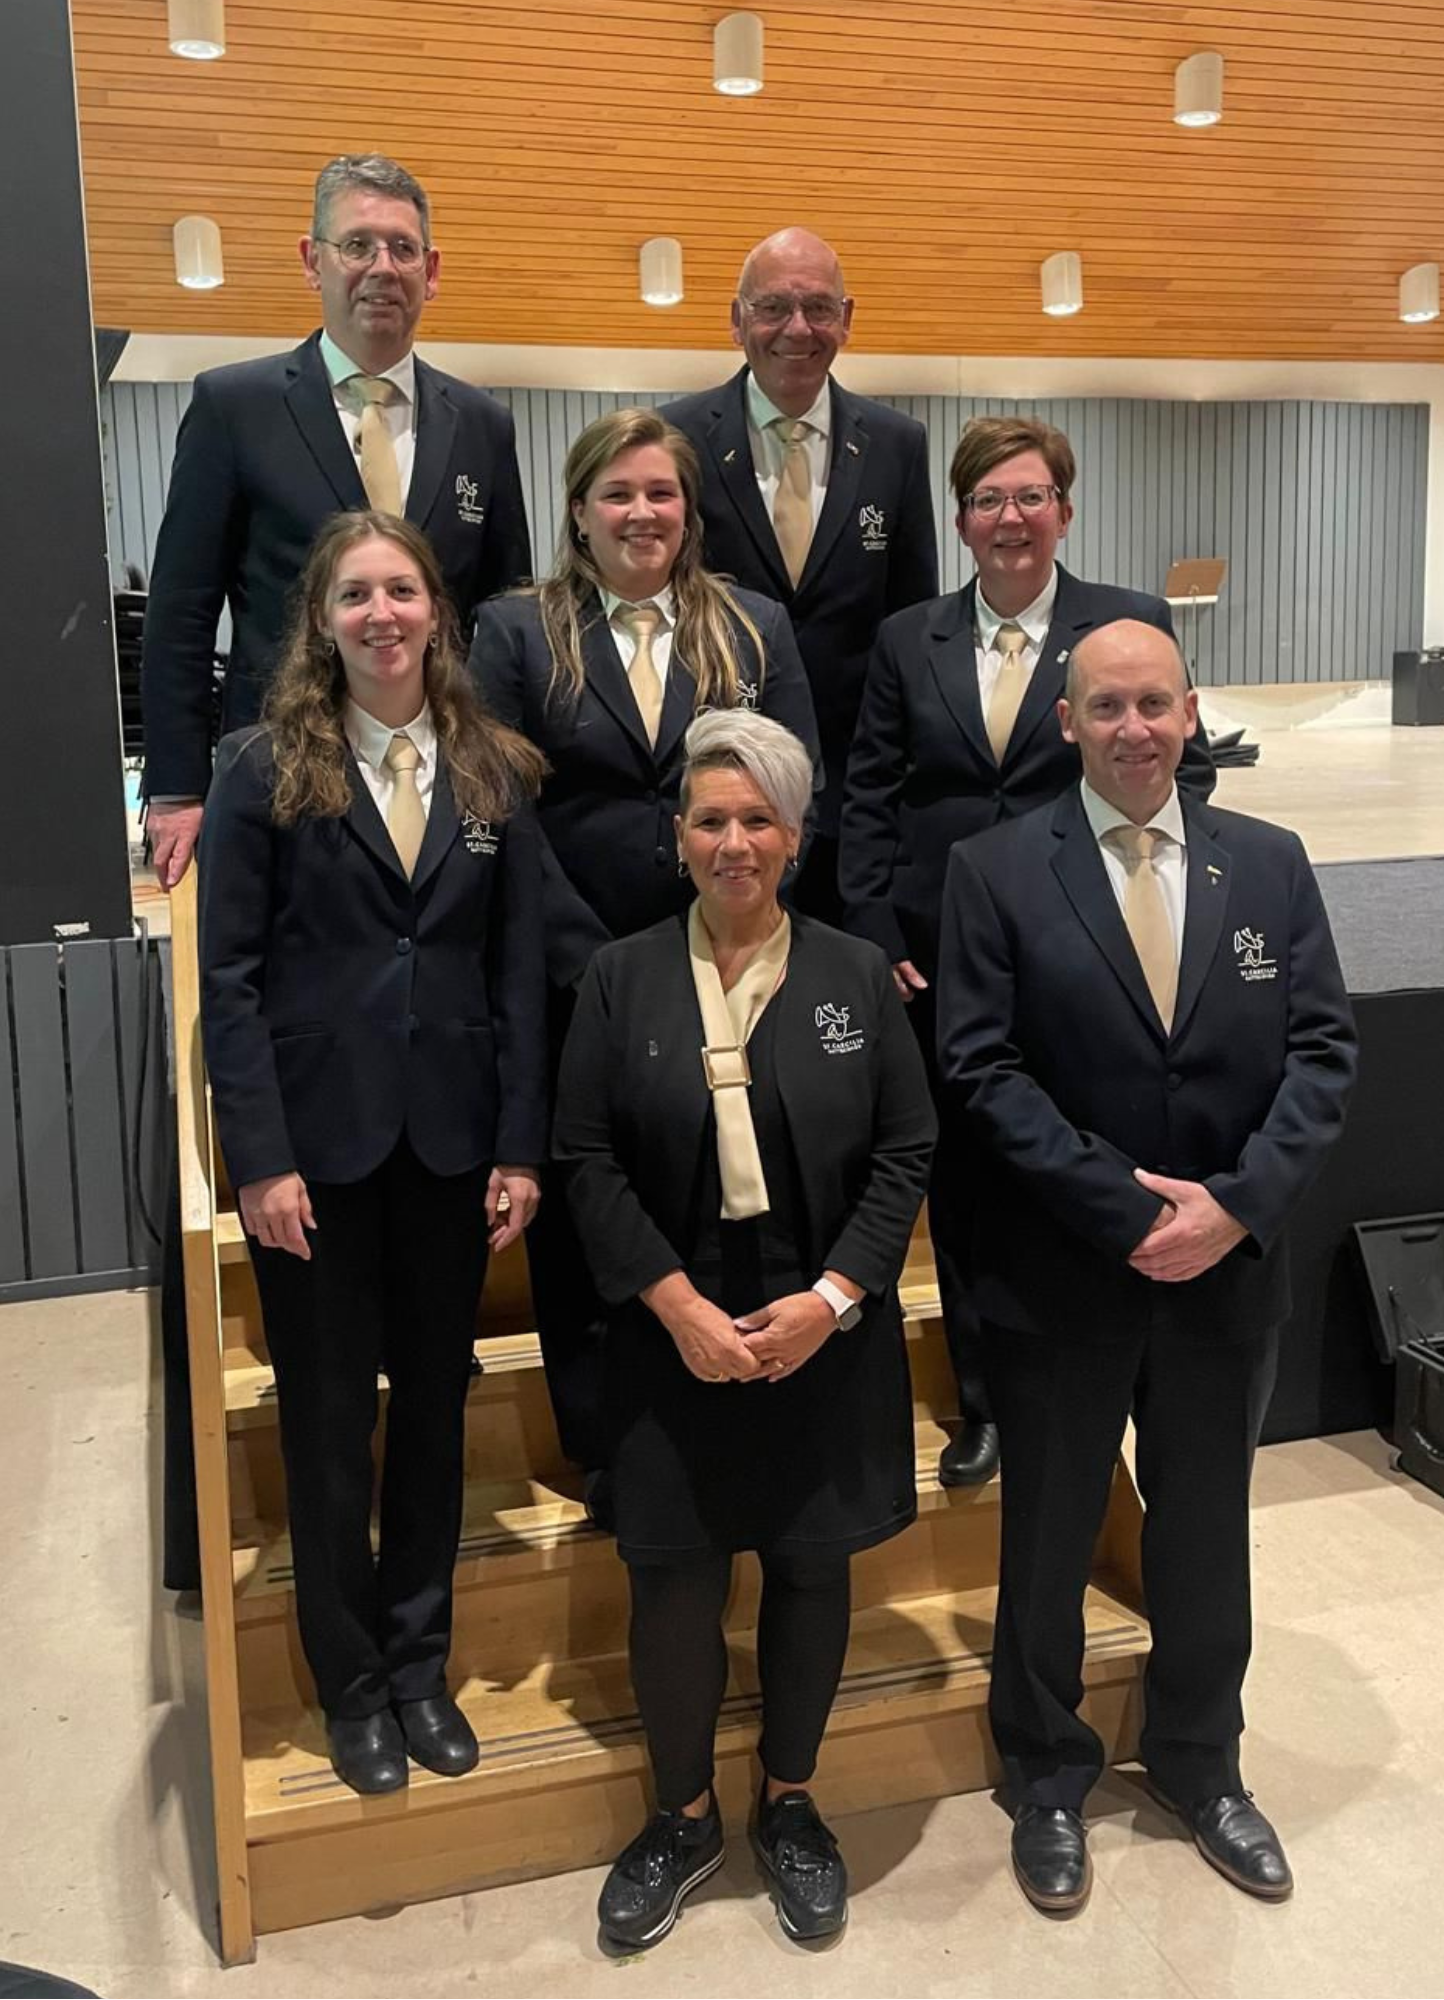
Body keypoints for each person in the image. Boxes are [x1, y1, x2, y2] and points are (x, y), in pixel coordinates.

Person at [935, 619, 1356, 1914]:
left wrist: (1233, 1208)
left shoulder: (1271, 866)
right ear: (1066, 722)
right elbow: (979, 1067)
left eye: (1155, 705)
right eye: (1106, 706)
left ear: (1190, 716)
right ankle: (1047, 1773)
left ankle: (1198, 1761)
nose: (1132, 728)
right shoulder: (997, 870)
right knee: (1051, 1535)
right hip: (1062, 1275)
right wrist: (1124, 1207)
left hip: (1226, 1279)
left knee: (1206, 1535)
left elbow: (1323, 1053)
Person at [554, 710, 935, 1950]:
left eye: (756, 819)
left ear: (796, 834)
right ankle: (679, 1816)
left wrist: (831, 1300)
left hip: (816, 1312)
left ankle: (789, 1803)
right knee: (671, 1580)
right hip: (672, 1316)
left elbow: (904, 1151)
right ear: (677, 838)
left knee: (811, 1563)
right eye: (710, 819)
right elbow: (587, 1158)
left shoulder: (854, 972)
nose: (733, 841)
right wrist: (673, 1304)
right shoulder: (618, 977)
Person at [198, 511, 547, 1796]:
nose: (383, 614)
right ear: (322, 621)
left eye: (403, 589)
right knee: (332, 1423)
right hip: (317, 1157)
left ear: (435, 614)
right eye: (357, 594)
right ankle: (349, 1686)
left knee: (439, 1416)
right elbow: (225, 978)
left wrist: (520, 1143)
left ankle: (419, 1665)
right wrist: (259, 1156)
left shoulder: (493, 766)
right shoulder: (261, 766)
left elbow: (516, 969)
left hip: (452, 1147)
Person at [841, 415, 1217, 1490]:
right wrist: (875, 928)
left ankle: (1100, 1381)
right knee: (962, 1182)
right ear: (959, 518)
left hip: (1078, 951)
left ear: (1065, 506)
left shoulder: (1127, 624)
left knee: (1078, 1154)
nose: (1009, 518)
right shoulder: (909, 636)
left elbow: (1179, 780)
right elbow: (870, 792)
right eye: (987, 499)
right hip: (935, 951)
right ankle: (986, 1401)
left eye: (1030, 495)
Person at [468, 407, 819, 1492]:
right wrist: (601, 960)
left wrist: (735, 928)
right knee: (589, 1210)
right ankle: (598, 1441)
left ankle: (720, 1401)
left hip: (734, 961)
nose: (640, 512)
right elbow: (496, 802)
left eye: (659, 492)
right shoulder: (518, 630)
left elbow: (802, 782)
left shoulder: (752, 625)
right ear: (578, 510)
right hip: (576, 969)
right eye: (616, 493)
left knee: (712, 1186)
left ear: (688, 509)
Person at [143, 152, 533, 889]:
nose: (382, 267)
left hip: (439, 776)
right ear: (312, 261)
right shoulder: (235, 408)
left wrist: (499, 765)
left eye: (403, 248)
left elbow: (505, 614)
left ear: (432, 269)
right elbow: (182, 611)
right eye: (357, 245)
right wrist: (177, 789)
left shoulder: (483, 425)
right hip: (281, 774)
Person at [661, 227, 938, 922]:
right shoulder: (677, 440)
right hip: (717, 792)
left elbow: (911, 621)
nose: (798, 328)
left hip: (852, 794)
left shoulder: (897, 445)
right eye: (774, 307)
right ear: (736, 320)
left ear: (847, 318)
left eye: (818, 308)